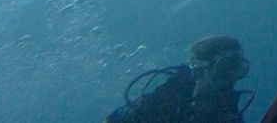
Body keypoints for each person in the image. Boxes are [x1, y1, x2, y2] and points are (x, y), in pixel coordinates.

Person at [106, 35, 253, 123]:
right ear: (200, 68)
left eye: (239, 68)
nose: (231, 78)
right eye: (225, 67)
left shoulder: (228, 112)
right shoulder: (169, 96)